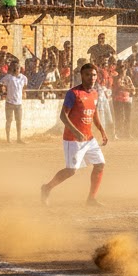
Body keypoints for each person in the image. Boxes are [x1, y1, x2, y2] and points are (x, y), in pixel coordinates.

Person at [41, 62, 109, 205]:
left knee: (100, 164)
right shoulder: (73, 93)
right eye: (88, 75)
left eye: (94, 75)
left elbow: (94, 113)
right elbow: (63, 116)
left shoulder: (95, 93)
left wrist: (102, 130)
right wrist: (75, 131)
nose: (92, 78)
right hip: (73, 139)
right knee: (71, 171)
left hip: (89, 138)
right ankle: (47, 188)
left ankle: (91, 199)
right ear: (82, 76)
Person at [0, 60, 27, 143]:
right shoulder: (8, 77)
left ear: (20, 69)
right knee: (9, 120)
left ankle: (19, 138)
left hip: (18, 102)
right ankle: (8, 139)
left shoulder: (23, 78)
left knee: (19, 121)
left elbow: (24, 87)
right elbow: (0, 83)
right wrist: (3, 90)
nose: (16, 70)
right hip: (10, 102)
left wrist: (23, 93)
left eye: (17, 68)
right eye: (14, 68)